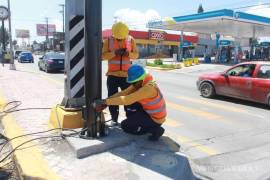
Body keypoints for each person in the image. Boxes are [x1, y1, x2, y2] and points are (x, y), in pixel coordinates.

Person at [94, 65, 167, 141]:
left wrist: (106, 102)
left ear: (140, 79)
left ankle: (155, 130)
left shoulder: (148, 88)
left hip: (155, 119)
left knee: (126, 126)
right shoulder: (141, 82)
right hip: (148, 113)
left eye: (134, 82)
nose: (133, 85)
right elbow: (123, 93)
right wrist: (106, 101)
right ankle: (138, 122)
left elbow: (126, 99)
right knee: (131, 105)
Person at [102, 22, 139, 125]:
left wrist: (128, 53)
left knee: (128, 99)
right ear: (113, 33)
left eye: (121, 38)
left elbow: (136, 55)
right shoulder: (107, 41)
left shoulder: (131, 40)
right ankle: (114, 119)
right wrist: (115, 53)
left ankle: (130, 119)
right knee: (113, 98)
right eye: (118, 38)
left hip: (127, 76)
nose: (119, 40)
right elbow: (103, 56)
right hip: (112, 75)